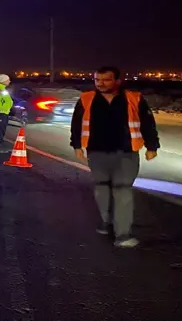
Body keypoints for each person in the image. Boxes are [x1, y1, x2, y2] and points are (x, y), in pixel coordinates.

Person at [70, 66, 159, 248]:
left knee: (122, 189)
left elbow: (147, 122)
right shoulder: (86, 98)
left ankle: (122, 235)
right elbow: (77, 123)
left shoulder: (134, 98)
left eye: (106, 80)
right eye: (97, 80)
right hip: (96, 152)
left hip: (126, 152)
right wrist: (77, 146)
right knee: (102, 188)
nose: (100, 84)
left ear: (118, 81)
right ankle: (106, 223)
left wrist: (152, 146)